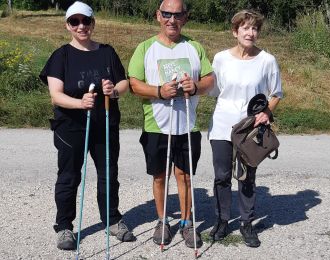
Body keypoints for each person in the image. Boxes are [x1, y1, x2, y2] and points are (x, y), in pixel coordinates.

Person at [39, 1, 135, 251]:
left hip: (104, 124)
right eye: (75, 21)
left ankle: (112, 220)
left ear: (93, 23)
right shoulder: (61, 56)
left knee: (108, 174)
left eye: (86, 21)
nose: (81, 26)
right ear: (68, 25)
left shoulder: (107, 52)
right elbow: (55, 95)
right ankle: (64, 227)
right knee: (69, 176)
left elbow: (124, 84)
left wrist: (112, 91)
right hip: (71, 127)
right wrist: (80, 103)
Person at [128, 0, 214, 249]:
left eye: (178, 15)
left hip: (187, 125)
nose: (172, 20)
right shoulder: (145, 48)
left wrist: (196, 86)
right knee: (159, 176)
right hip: (157, 125)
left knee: (185, 176)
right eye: (167, 14)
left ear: (185, 18)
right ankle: (163, 220)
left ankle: (187, 223)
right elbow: (134, 84)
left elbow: (209, 79)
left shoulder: (194, 47)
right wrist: (159, 91)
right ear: (158, 15)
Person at [208, 10, 283, 247]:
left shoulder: (267, 60)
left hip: (251, 129)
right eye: (246, 28)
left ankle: (247, 223)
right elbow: (213, 90)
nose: (251, 33)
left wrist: (266, 112)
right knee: (222, 176)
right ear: (235, 31)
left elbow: (276, 93)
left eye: (255, 28)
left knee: (247, 176)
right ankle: (221, 220)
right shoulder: (220, 58)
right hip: (222, 125)